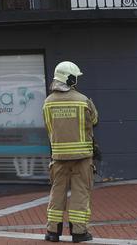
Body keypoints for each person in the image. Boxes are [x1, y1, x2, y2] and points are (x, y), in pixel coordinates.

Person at [43, 61, 99, 242]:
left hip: (58, 157)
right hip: (82, 157)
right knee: (80, 192)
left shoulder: (47, 103)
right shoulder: (83, 101)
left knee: (57, 191)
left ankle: (53, 232)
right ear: (71, 79)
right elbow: (95, 120)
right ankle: (79, 232)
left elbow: (49, 128)